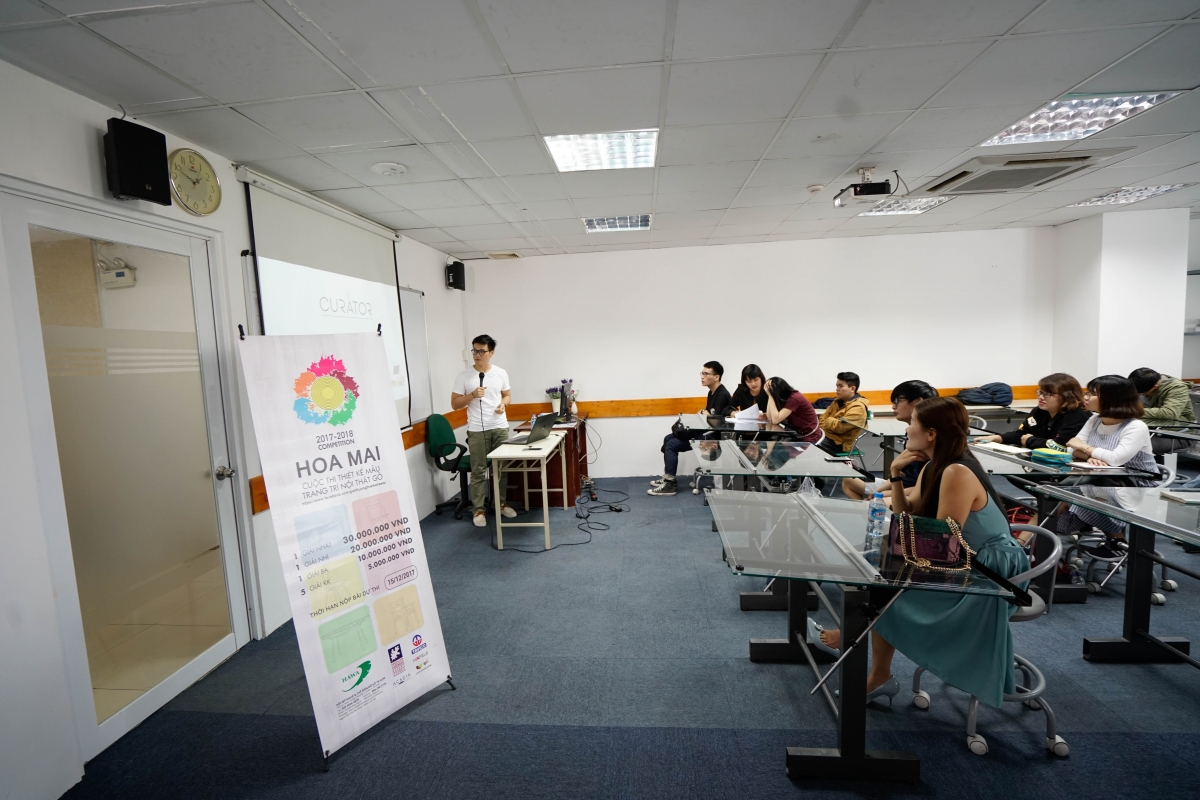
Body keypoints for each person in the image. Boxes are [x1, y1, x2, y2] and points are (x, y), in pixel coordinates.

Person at [817, 397, 1030, 709]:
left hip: (992, 568)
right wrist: (895, 474)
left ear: (931, 434)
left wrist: (888, 547)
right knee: (881, 570)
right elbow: (909, 513)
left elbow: (942, 541)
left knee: (886, 581)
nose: (906, 429)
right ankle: (871, 658)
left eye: (912, 423)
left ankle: (862, 644)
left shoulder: (956, 471)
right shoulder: (935, 465)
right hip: (966, 554)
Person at [450, 335, 517, 527]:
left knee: (501, 469)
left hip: (499, 426)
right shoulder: (464, 376)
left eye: (481, 351)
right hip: (478, 430)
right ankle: (479, 510)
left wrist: (503, 405)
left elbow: (507, 395)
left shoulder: (500, 373)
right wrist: (472, 395)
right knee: (478, 471)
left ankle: (500, 504)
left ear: (491, 352)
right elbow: (454, 404)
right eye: (474, 350)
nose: (477, 355)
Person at [842, 380, 938, 501]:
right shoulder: (912, 433)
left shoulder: (928, 439)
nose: (893, 406)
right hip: (900, 484)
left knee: (877, 502)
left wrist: (884, 494)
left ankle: (872, 510)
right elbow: (901, 472)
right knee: (848, 482)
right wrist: (878, 491)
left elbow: (925, 488)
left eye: (898, 401)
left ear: (918, 402)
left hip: (916, 492)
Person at [649, 361, 732, 496]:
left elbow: (717, 422)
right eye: (702, 373)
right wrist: (705, 414)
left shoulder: (722, 394)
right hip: (705, 431)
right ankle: (668, 478)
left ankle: (669, 485)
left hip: (712, 437)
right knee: (668, 438)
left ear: (716, 377)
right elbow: (709, 415)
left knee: (671, 445)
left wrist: (706, 414)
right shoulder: (712, 392)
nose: (702, 377)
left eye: (706, 374)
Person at [975, 373, 1089, 450]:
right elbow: (1022, 434)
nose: (1041, 397)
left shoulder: (1077, 415)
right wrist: (998, 438)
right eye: (1040, 392)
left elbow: (1061, 446)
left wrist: (1030, 440)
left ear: (1066, 396)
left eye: (1047, 394)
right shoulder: (1040, 410)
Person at [1129, 367, 1196, 454]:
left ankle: (1148, 463)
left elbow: (1169, 413)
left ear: (1156, 385)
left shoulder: (1177, 388)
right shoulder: (1140, 384)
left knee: (1133, 446)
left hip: (1176, 434)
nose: (1140, 396)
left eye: (1143, 393)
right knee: (1116, 441)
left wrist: (1132, 412)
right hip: (1149, 430)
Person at [818, 372, 869, 455]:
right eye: (837, 386)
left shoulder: (858, 407)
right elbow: (822, 418)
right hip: (826, 436)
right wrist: (829, 424)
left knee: (809, 445)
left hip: (839, 444)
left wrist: (829, 420)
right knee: (802, 439)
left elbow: (839, 427)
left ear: (852, 389)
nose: (837, 389)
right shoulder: (837, 401)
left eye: (841, 386)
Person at [764, 377, 821, 443]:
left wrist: (770, 395)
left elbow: (775, 420)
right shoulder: (784, 398)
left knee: (778, 446)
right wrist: (769, 396)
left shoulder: (794, 398)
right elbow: (770, 418)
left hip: (809, 437)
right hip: (797, 435)